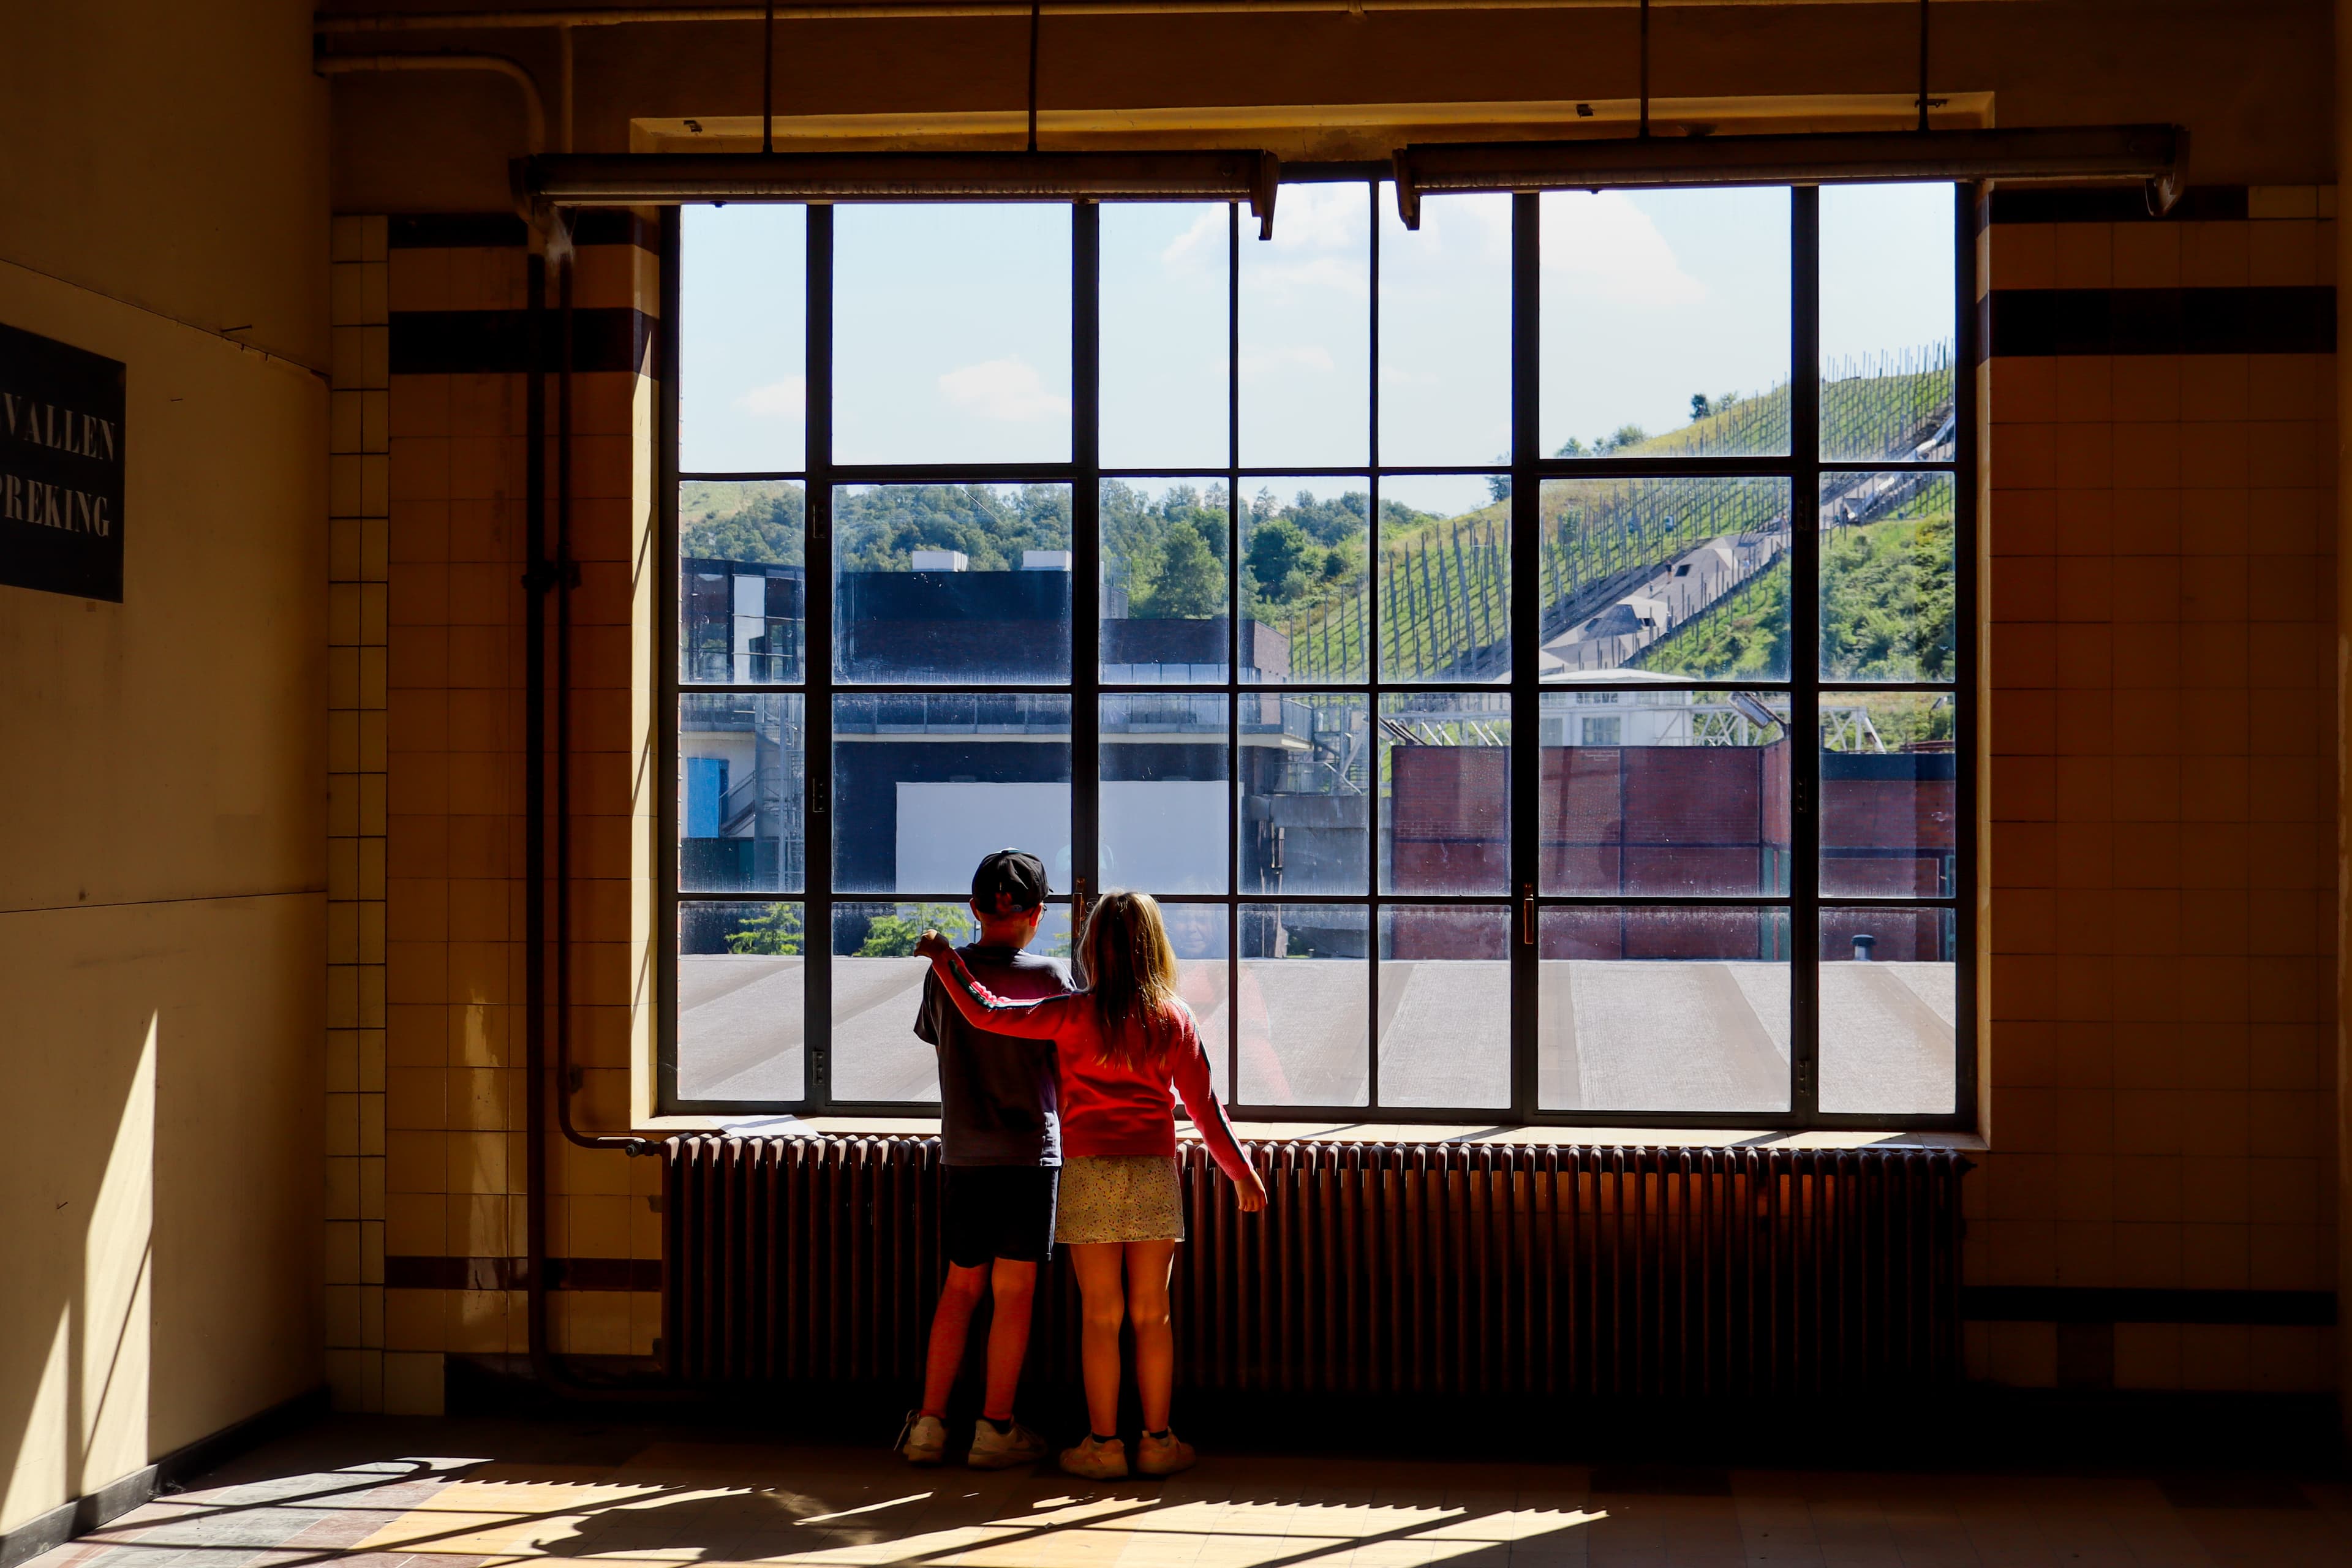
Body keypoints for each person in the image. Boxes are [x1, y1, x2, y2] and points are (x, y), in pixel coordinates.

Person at [916, 890, 1268, 1480]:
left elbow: (987, 1013)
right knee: (1153, 1314)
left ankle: (1103, 1446)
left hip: (1087, 1172)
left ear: (1093, 948)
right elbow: (1206, 1110)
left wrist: (946, 958)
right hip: (1152, 1173)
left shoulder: (1073, 1012)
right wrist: (1242, 1174)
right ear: (1156, 948)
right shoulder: (1175, 1018)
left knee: (1101, 1316)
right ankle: (1157, 1442)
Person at [895, 850, 1071, 1470]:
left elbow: (937, 1037)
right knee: (1013, 1292)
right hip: (1030, 1154)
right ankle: (995, 1427)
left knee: (961, 1285)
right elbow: (1066, 1059)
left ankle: (929, 1424)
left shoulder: (947, 973)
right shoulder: (1051, 976)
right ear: (1039, 913)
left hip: (964, 1152)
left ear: (974, 908)